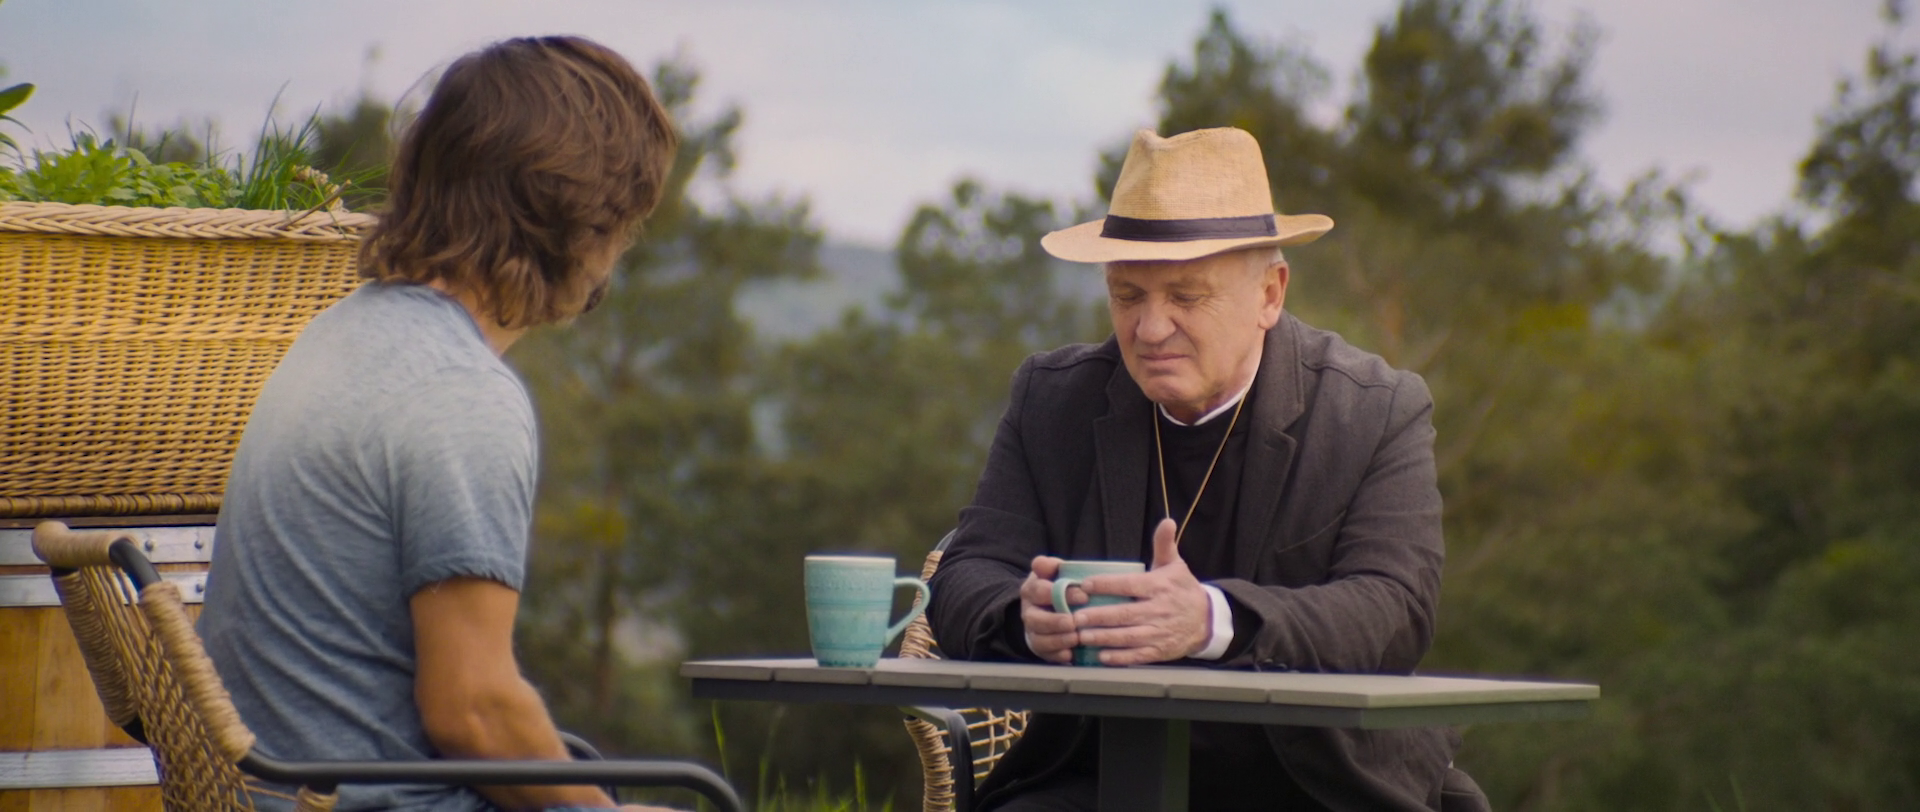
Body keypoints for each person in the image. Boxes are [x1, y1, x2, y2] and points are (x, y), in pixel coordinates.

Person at [926, 127, 1489, 812]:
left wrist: (1211, 619)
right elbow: (964, 575)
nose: (1150, 328)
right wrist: (1026, 618)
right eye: (1127, 295)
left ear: (1270, 294)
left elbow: (1393, 608)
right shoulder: (1053, 399)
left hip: (1318, 782)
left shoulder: (1372, 409)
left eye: (1186, 297)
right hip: (1096, 776)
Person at [200, 36, 679, 812]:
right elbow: (472, 712)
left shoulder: (342, 332)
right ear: (581, 220)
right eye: (626, 219)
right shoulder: (458, 392)